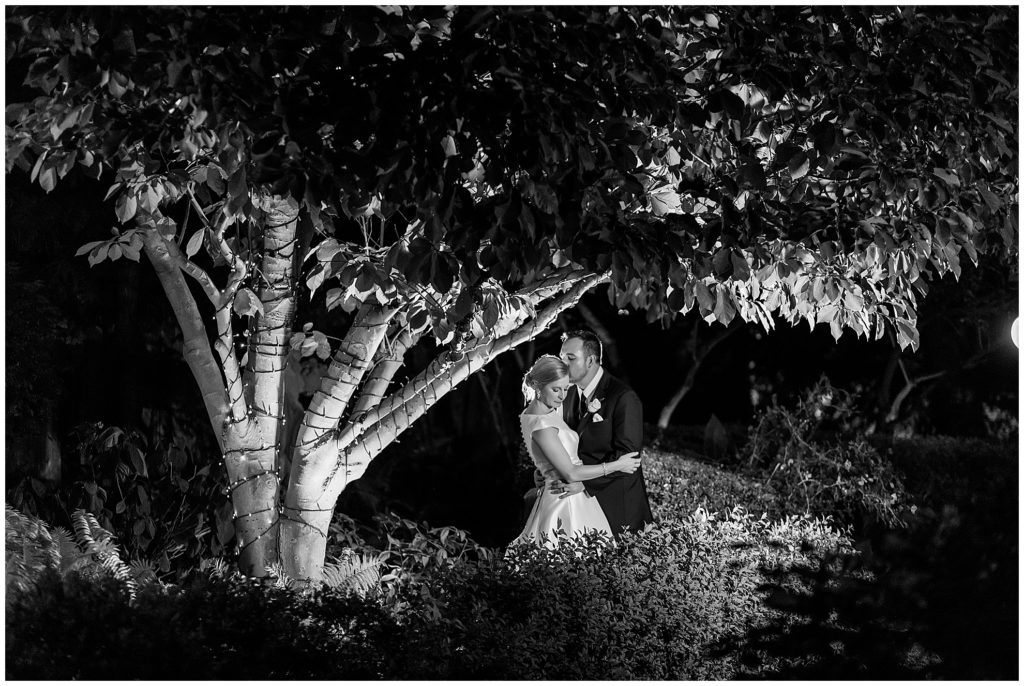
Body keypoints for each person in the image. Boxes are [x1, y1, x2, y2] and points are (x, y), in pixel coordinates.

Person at [512, 355, 642, 547]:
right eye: (555, 389)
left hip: (568, 494)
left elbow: (552, 452)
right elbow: (571, 472)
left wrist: (545, 470)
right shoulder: (542, 424)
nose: (562, 396)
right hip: (565, 501)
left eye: (565, 389)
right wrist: (617, 465)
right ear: (538, 386)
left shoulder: (540, 413)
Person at [550, 329, 654, 538]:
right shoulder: (567, 394)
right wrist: (549, 470)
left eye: (570, 358)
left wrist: (584, 483)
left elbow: (628, 459)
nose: (563, 365)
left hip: (617, 511)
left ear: (590, 361)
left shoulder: (623, 397)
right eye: (561, 358)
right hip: (576, 507)